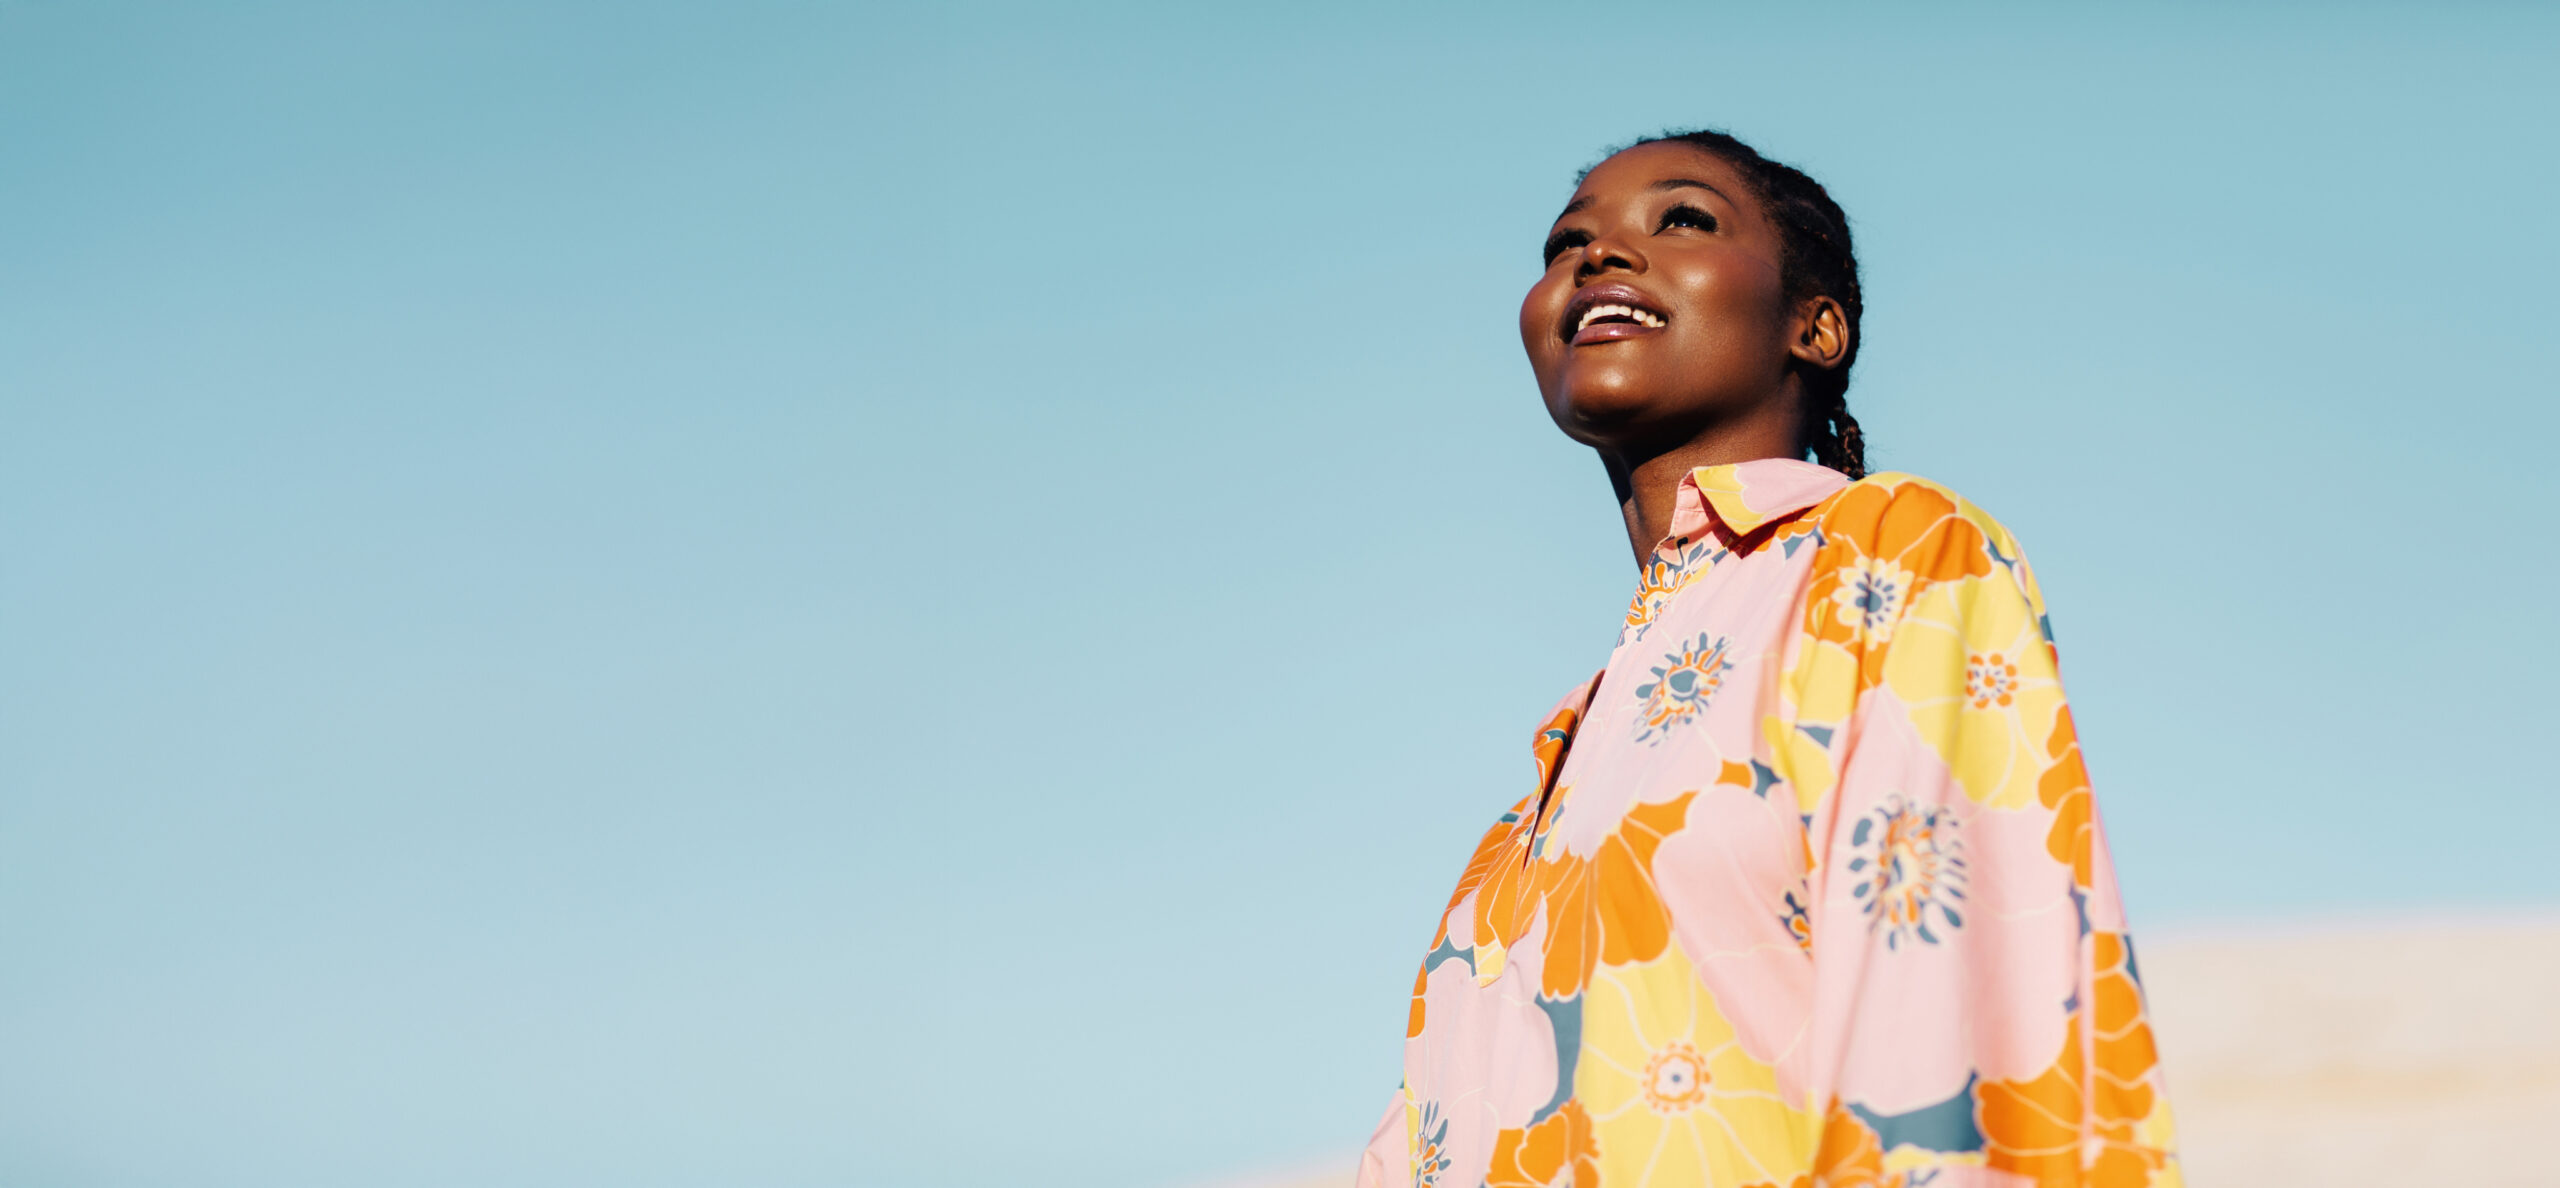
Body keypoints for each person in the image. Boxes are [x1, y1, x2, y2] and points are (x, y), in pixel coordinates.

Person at [1358, 130, 2179, 1188]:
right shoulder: (1546, 785)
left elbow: (1962, 1052)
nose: (1597, 256)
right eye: (1565, 244)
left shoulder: (1887, 556)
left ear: (1815, 327)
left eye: (1682, 219)